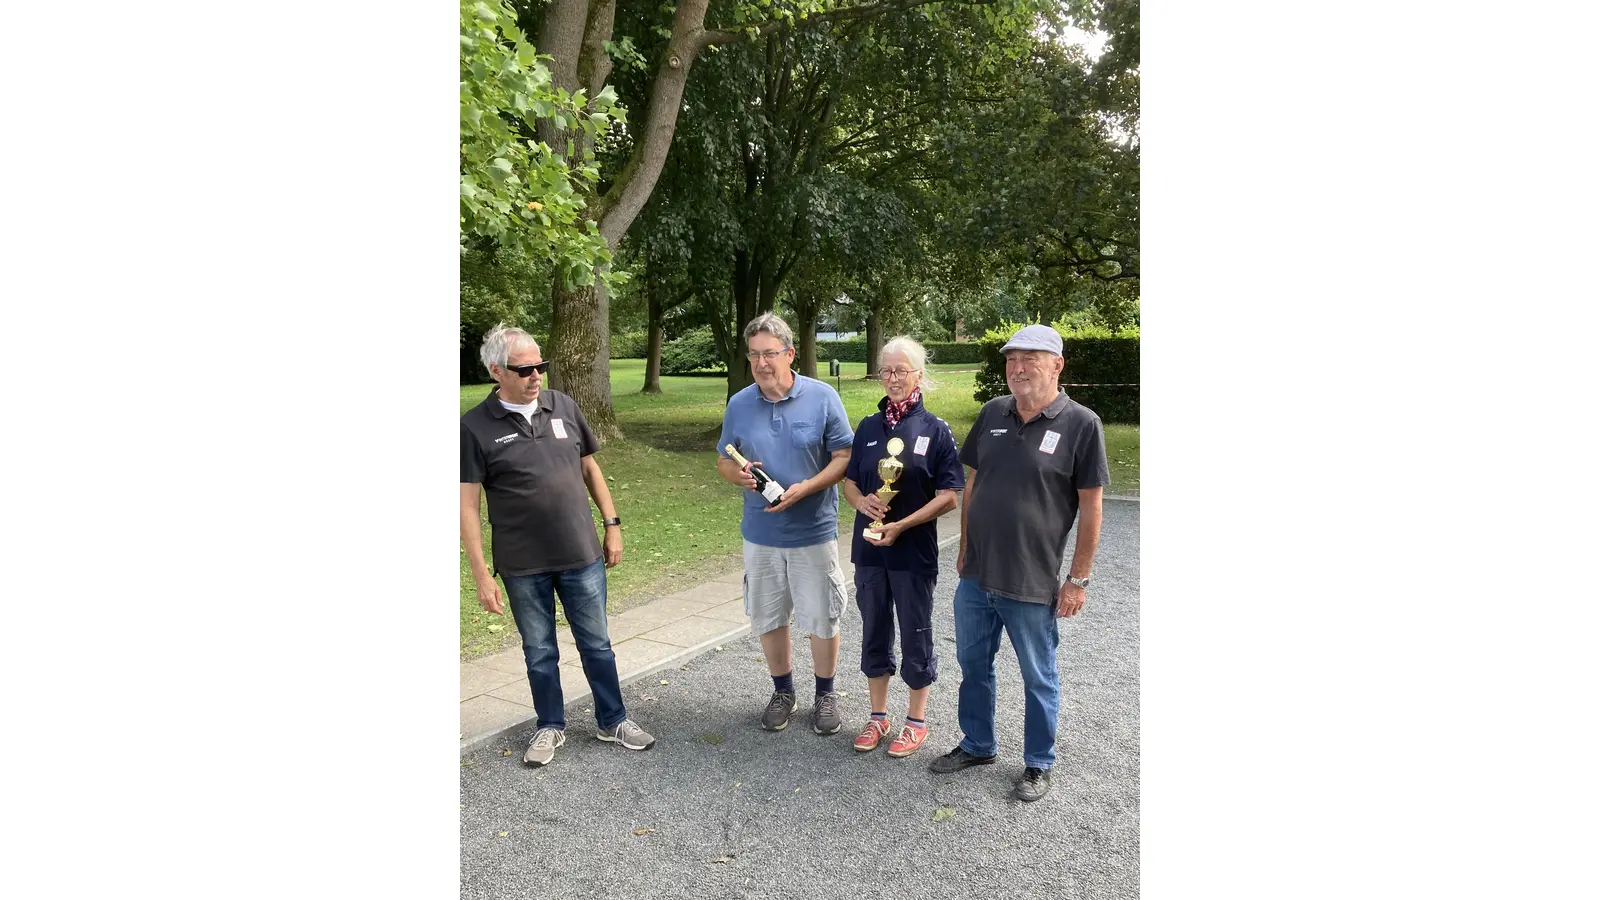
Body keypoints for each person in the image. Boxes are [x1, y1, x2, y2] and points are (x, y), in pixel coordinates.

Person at [460, 324, 655, 768]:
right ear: (496, 371)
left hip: (580, 554)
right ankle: (550, 724)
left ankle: (613, 719)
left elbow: (590, 469)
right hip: (522, 564)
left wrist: (613, 524)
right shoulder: (473, 428)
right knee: (540, 650)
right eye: (525, 369)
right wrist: (480, 574)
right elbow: (466, 508)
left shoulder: (563, 406)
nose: (536, 376)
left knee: (597, 643)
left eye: (541, 366)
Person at [928, 323, 1109, 802]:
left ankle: (1037, 763)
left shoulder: (1081, 424)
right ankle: (978, 744)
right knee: (972, 664)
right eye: (1011, 359)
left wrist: (1078, 579)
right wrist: (964, 547)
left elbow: (1092, 507)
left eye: (1031, 358)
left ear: (1057, 365)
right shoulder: (992, 413)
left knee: (1038, 674)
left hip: (1032, 580)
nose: (1018, 367)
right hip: (976, 575)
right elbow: (973, 484)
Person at [716, 313, 854, 735]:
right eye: (754, 355)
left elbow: (844, 458)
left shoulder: (823, 396)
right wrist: (735, 475)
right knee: (769, 615)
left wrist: (807, 487)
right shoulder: (739, 403)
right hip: (760, 534)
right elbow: (724, 457)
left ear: (790, 354)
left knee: (821, 616)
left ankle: (825, 694)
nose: (761, 363)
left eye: (769, 354)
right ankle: (783, 691)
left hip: (812, 531)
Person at [841, 337, 964, 758]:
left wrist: (903, 523)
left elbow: (949, 495)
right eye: (886, 371)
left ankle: (915, 721)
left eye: (901, 371)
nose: (893, 379)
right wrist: (862, 503)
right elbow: (851, 482)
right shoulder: (868, 427)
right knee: (874, 628)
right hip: (871, 551)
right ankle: (878, 717)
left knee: (916, 633)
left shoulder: (936, 429)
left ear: (919, 375)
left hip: (913, 552)